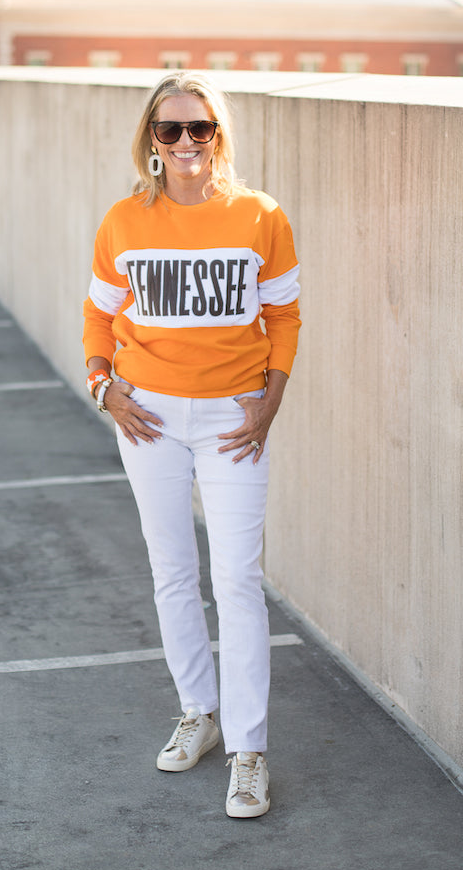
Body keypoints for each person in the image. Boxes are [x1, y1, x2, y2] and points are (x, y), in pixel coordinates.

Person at [82, 71, 300, 818]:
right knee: (172, 569)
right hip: (148, 415)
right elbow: (98, 319)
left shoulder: (260, 216)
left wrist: (273, 395)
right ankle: (199, 712)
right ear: (151, 138)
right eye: (170, 129)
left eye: (199, 128)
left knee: (238, 579)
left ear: (219, 134)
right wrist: (103, 387)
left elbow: (286, 317)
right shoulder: (122, 221)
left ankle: (249, 750)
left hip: (234, 417)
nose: (185, 143)